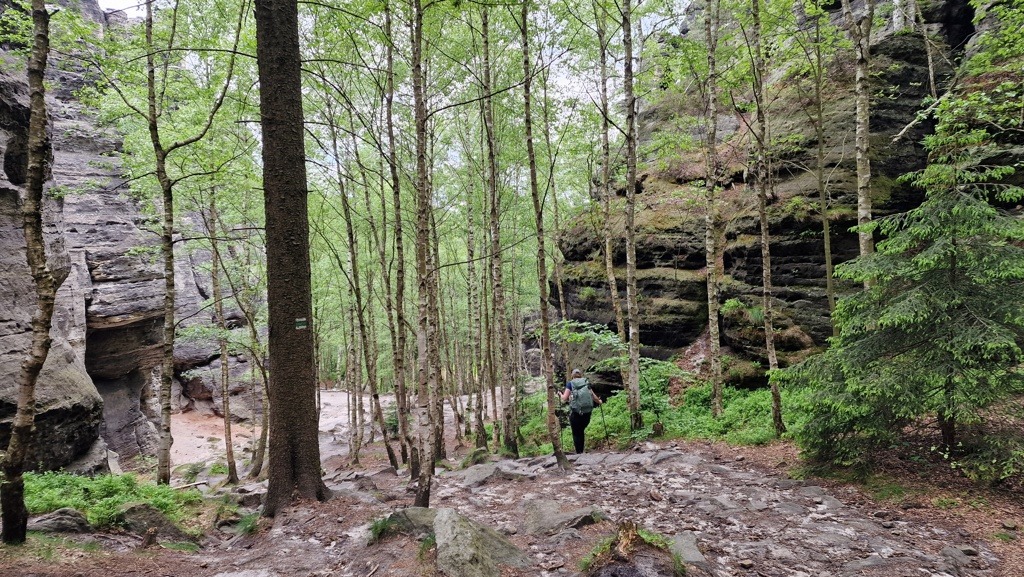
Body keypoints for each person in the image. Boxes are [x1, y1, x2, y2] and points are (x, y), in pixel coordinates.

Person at [560, 368, 602, 454]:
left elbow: (564, 399)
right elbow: (593, 396)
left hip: (576, 413)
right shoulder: (586, 383)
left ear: (572, 376)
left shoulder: (570, 384)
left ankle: (578, 453)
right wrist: (599, 401)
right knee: (581, 431)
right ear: (580, 375)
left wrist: (560, 394)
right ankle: (581, 451)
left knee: (576, 433)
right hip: (587, 413)